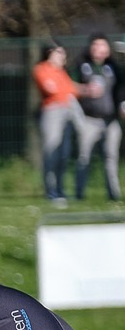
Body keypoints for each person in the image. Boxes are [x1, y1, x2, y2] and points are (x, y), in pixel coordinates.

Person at [33, 44, 83, 205]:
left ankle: (60, 190)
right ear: (50, 53)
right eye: (60, 52)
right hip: (52, 113)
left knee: (63, 154)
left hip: (67, 114)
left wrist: (85, 89)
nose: (64, 56)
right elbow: (51, 90)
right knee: (51, 153)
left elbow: (72, 91)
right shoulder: (41, 69)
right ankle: (51, 191)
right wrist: (67, 91)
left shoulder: (62, 73)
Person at [73, 36, 121, 203]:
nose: (99, 49)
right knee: (84, 157)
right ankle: (79, 194)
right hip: (89, 120)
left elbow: (121, 89)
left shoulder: (115, 67)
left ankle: (114, 194)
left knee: (111, 156)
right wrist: (85, 90)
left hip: (110, 120)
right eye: (95, 45)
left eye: (102, 46)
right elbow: (69, 85)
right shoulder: (82, 65)